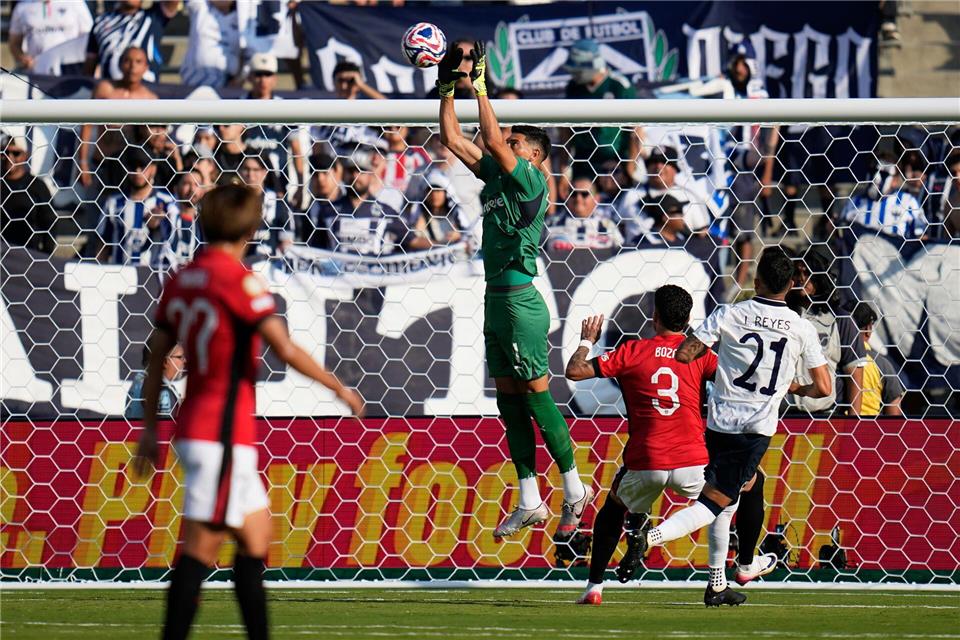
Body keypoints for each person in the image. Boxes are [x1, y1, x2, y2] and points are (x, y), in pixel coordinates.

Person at [133, 183, 364, 640]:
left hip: (202, 428)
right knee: (200, 550)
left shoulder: (181, 279)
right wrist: (338, 387)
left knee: (257, 539)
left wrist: (149, 429)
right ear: (252, 229)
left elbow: (156, 353)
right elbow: (283, 347)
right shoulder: (239, 281)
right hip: (219, 434)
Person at [438, 41, 594, 540]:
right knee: (508, 398)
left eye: (515, 140)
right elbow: (452, 137)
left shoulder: (530, 182)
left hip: (522, 301)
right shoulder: (499, 177)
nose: (504, 140)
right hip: (494, 300)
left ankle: (573, 488)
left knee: (536, 392)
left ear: (535, 156)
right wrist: (447, 89)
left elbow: (489, 138)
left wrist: (478, 86)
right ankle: (530, 498)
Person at [632, 248, 833, 606]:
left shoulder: (729, 313)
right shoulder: (801, 328)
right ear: (791, 285)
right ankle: (651, 537)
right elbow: (824, 388)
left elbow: (685, 353)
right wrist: (792, 385)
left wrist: (726, 359)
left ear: (756, 282)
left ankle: (718, 583)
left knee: (735, 496)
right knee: (713, 504)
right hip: (754, 430)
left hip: (719, 424)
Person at [565, 286, 776, 605]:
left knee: (612, 511)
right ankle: (730, 573)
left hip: (645, 461)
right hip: (693, 460)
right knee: (735, 492)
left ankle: (593, 587)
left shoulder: (631, 351)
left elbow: (575, 371)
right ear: (689, 318)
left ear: (655, 317)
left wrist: (586, 341)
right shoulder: (697, 353)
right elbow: (737, 381)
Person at [788, 248, 865, 417]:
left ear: (820, 276)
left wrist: (854, 422)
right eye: (797, 273)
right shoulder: (783, 315)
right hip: (783, 414)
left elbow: (854, 374)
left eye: (808, 272)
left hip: (825, 415)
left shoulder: (840, 320)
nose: (801, 278)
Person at [79, 46, 158, 192]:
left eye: (138, 61)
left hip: (133, 171)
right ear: (120, 64)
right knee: (100, 212)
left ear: (146, 67)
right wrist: (82, 162)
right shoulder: (106, 90)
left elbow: (155, 139)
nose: (132, 66)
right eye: (127, 60)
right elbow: (87, 125)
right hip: (102, 164)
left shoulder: (150, 99)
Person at [563, 39, 640, 179]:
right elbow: (566, 131)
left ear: (595, 64)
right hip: (583, 161)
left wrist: (631, 164)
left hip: (615, 161)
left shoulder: (619, 86)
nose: (574, 75)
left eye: (578, 71)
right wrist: (565, 169)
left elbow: (635, 130)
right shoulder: (573, 88)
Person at [97, 147, 182, 271]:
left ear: (153, 168)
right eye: (133, 166)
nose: (137, 171)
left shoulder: (168, 202)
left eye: (143, 166)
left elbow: (179, 240)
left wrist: (162, 223)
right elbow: (103, 245)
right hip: (119, 275)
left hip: (152, 278)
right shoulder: (113, 203)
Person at [242, 53, 306, 197]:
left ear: (275, 79)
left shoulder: (285, 109)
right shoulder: (238, 106)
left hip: (278, 185)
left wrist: (301, 186)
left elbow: (296, 148)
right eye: (258, 74)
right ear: (250, 77)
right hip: (245, 181)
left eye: (268, 74)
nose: (263, 80)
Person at [327, 149, 410, 256]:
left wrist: (437, 248)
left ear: (371, 175)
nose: (355, 176)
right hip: (337, 271)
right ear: (344, 174)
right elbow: (314, 250)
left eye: (361, 171)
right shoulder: (328, 211)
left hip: (374, 271)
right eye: (351, 171)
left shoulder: (385, 212)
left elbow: (412, 240)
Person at [84, 0, 180, 82]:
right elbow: (89, 67)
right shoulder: (100, 22)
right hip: (111, 96)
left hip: (147, 96)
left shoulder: (154, 17)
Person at [0, 132, 57, 254]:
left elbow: (50, 224)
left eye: (16, 153)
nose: (10, 158)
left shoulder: (37, 186)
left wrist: (45, 257)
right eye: (5, 153)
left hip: (28, 258)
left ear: (25, 155)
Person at [9, 0, 93, 74]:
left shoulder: (76, 3)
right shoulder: (22, 6)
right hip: (36, 72)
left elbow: (90, 39)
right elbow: (14, 43)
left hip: (70, 72)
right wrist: (23, 59)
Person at [237, 153, 296, 258]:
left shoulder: (278, 202)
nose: (250, 174)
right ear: (240, 171)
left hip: (270, 264)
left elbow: (287, 242)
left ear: (265, 172)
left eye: (256, 170)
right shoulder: (233, 201)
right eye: (246, 169)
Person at [852, 303, 905, 417]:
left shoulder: (831, 359)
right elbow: (894, 414)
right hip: (872, 431)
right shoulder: (882, 364)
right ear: (868, 329)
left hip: (836, 427)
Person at [547, 177, 621, 251]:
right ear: (567, 197)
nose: (578, 198)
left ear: (597, 198)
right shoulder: (550, 223)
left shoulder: (608, 226)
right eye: (573, 193)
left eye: (585, 194)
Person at [181, 0, 241, 88]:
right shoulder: (201, 6)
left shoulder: (245, 17)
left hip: (226, 89)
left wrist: (238, 79)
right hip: (193, 85)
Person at [405, 171, 468, 250]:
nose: (434, 195)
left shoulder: (455, 217)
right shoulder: (420, 217)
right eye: (430, 190)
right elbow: (412, 242)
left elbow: (469, 238)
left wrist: (460, 235)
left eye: (438, 190)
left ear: (446, 192)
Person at [125, 343, 185, 420]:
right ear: (165, 361)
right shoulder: (160, 390)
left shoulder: (139, 380)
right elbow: (165, 427)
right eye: (180, 357)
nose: (184, 361)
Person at [302, 151, 344, 249]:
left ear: (337, 173)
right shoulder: (308, 211)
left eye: (325, 173)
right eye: (315, 175)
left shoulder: (348, 206)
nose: (320, 179)